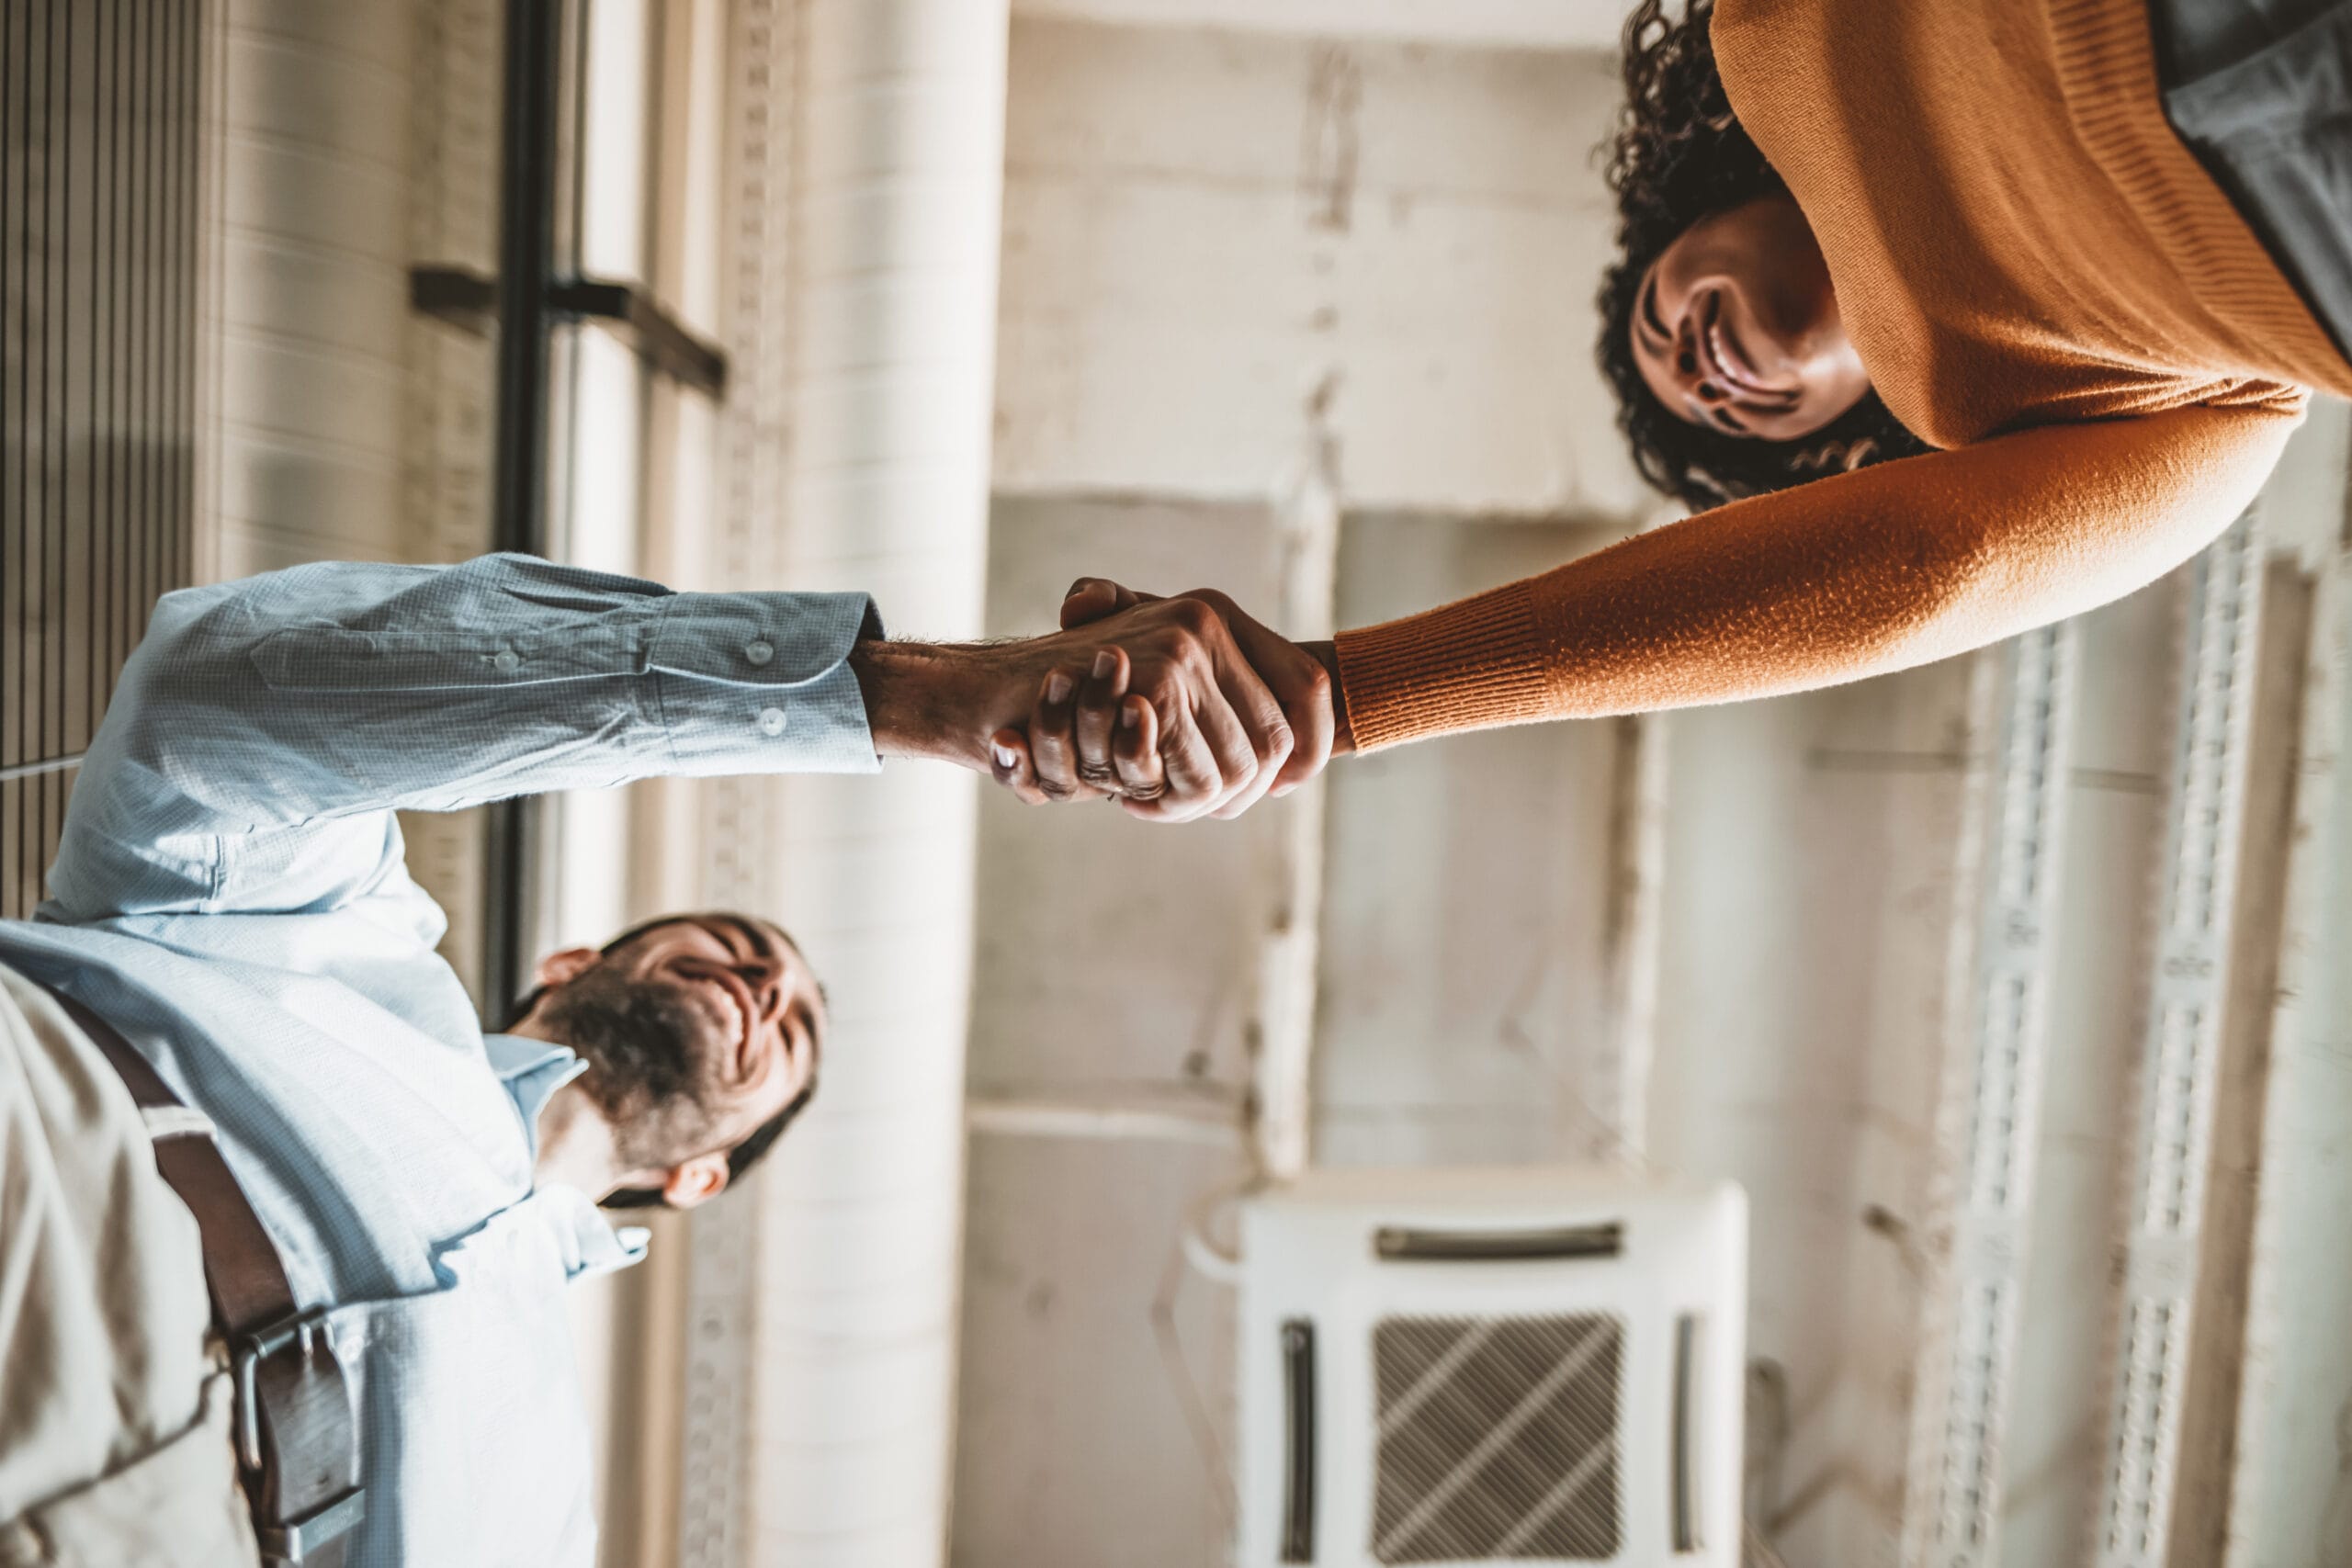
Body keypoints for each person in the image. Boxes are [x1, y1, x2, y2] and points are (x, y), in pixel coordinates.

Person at [0, 552, 1291, 1563]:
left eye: (788, 1027)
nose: (765, 983)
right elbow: (214, 695)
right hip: (44, 1169)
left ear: (701, 1181)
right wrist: (916, 698)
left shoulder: (553, 1507)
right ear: (571, 963)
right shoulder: (329, 938)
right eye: (736, 944)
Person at [988, 0, 2352, 814]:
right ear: (1844, 440)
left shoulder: (1779, 37)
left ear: (1682, 212)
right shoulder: (2107, 427)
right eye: (1732, 418)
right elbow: (1939, 568)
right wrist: (1348, 696)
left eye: (1659, 324)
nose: (1698, 372)